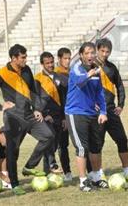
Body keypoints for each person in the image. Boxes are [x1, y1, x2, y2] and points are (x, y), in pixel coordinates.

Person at [0, 44, 54, 195]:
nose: (25, 59)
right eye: (22, 57)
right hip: (13, 117)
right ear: (14, 58)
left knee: (48, 136)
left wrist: (37, 109)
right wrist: (0, 105)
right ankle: (14, 184)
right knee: (12, 150)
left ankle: (29, 166)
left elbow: (34, 91)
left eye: (25, 56)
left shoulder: (27, 69)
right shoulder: (2, 73)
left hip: (29, 114)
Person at [90, 38, 128, 183]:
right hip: (97, 113)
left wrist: (121, 104)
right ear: (97, 49)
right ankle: (98, 174)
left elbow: (120, 86)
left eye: (108, 51)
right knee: (97, 144)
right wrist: (92, 105)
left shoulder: (112, 68)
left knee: (122, 140)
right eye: (102, 51)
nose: (105, 54)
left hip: (111, 111)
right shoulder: (90, 67)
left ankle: (127, 172)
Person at [65, 42, 108, 192]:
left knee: (96, 147)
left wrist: (103, 111)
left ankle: (96, 177)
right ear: (82, 55)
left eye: (92, 53)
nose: (90, 56)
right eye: (87, 53)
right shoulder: (76, 68)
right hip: (75, 113)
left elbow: (100, 94)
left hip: (92, 113)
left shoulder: (97, 71)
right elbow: (79, 82)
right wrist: (89, 74)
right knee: (82, 148)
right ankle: (83, 181)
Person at [34, 52, 65, 175]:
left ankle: (46, 174)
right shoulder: (37, 79)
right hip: (46, 117)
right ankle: (53, 164)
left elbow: (63, 99)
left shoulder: (59, 77)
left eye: (52, 62)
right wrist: (44, 114)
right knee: (48, 140)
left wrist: (64, 118)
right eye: (47, 63)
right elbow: (35, 98)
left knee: (53, 145)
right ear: (42, 64)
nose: (50, 65)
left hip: (59, 117)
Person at [55, 47, 72, 181]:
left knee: (82, 144)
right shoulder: (56, 75)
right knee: (63, 144)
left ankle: (90, 170)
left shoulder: (72, 73)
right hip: (63, 116)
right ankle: (67, 172)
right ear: (59, 59)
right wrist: (63, 117)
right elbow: (58, 99)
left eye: (69, 58)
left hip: (76, 113)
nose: (67, 61)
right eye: (65, 58)